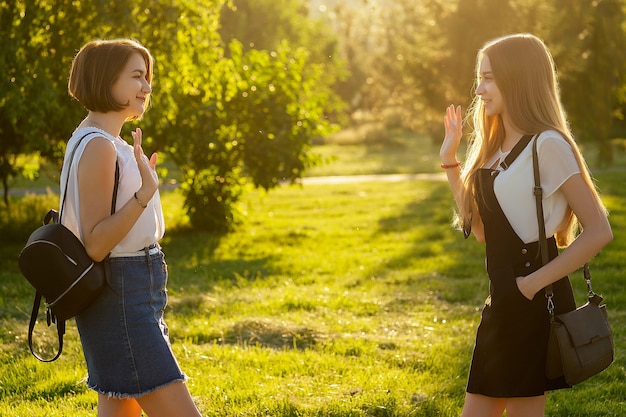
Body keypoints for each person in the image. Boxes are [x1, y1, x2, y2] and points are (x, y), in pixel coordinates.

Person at [439, 33, 613, 417]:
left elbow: (600, 230)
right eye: (478, 79)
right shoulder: (495, 146)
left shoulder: (547, 145)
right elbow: (483, 232)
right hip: (503, 300)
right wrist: (450, 161)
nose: (479, 90)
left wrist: (531, 286)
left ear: (517, 79)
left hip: (530, 298)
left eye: (488, 78)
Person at [62, 39, 202, 416]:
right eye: (137, 76)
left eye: (148, 77)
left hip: (132, 291)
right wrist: (144, 193)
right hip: (122, 295)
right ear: (107, 79)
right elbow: (95, 243)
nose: (147, 87)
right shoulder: (98, 146)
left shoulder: (106, 141)